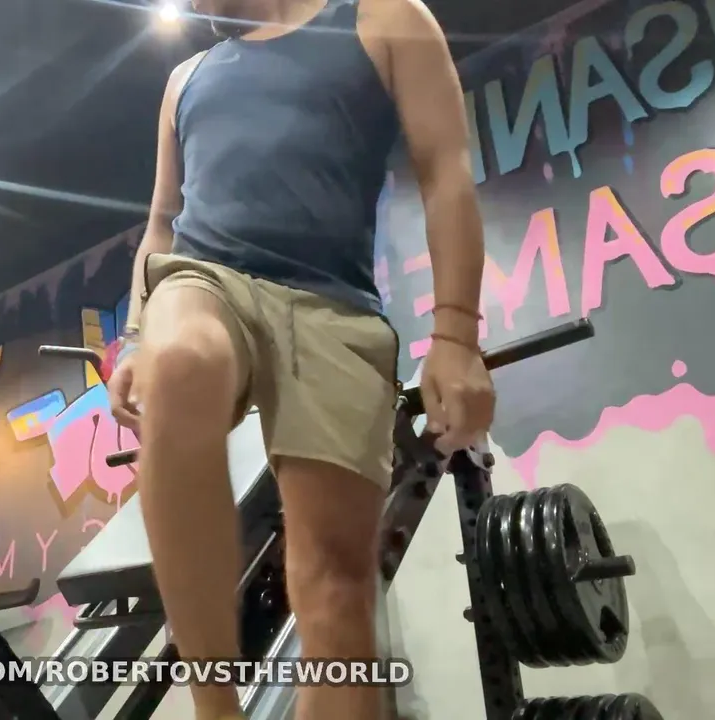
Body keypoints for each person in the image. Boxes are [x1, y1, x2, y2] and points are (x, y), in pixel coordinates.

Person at [106, 0, 496, 718]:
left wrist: (456, 337)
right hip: (205, 277)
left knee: (339, 593)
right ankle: (214, 707)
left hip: (333, 308)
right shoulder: (186, 78)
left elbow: (445, 170)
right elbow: (161, 221)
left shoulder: (382, 17)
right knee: (183, 361)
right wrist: (136, 338)